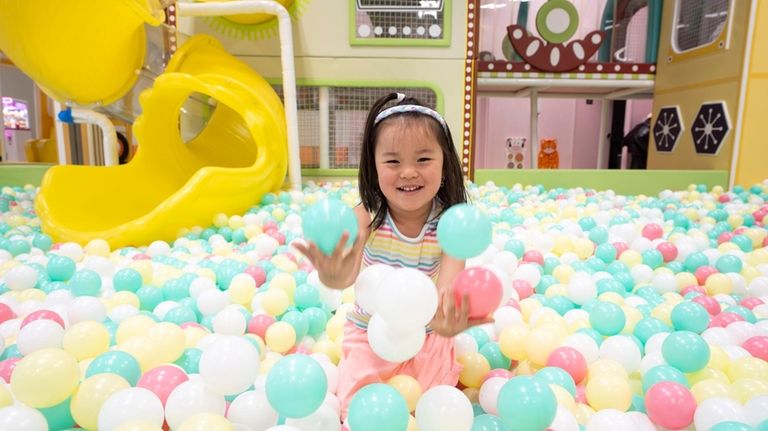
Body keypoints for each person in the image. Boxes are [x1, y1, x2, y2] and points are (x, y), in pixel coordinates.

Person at [294, 92, 492, 418]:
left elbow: (446, 289)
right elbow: (347, 274)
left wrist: (448, 323)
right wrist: (331, 275)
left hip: (427, 333)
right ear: (374, 167)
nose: (409, 172)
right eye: (393, 161)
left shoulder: (450, 224)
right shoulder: (366, 216)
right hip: (370, 332)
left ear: (445, 165)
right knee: (360, 410)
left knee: (429, 409)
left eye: (424, 159)